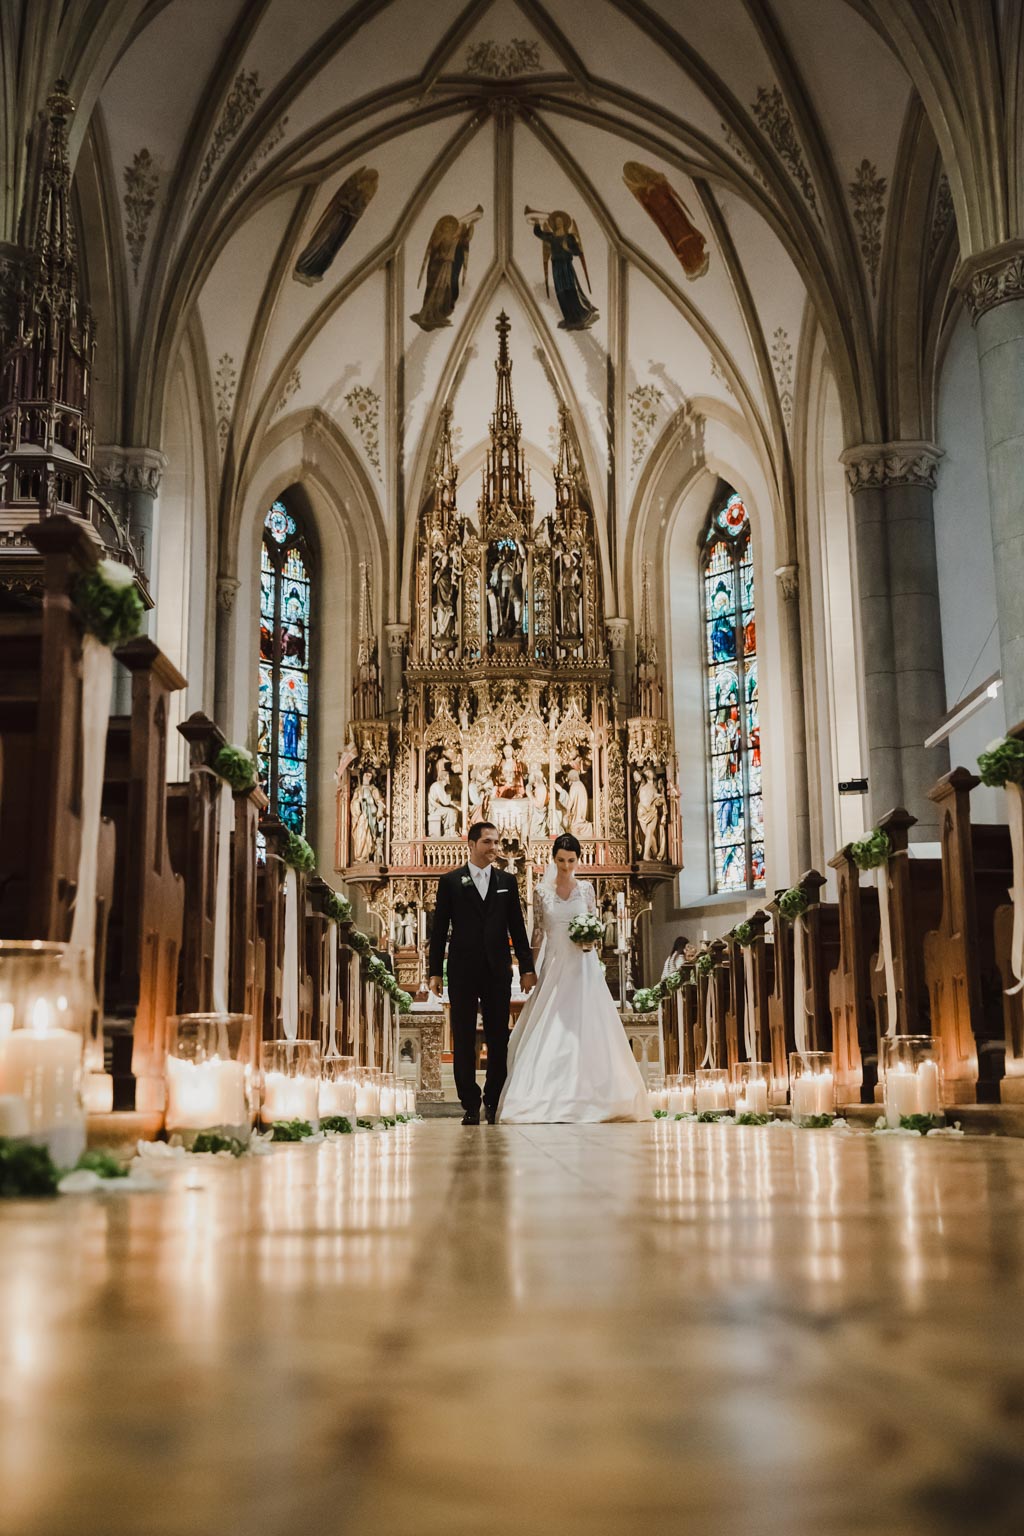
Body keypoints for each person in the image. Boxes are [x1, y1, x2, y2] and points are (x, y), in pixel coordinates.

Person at [497, 834, 649, 1124]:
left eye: (571, 860)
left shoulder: (587, 890)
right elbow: (539, 933)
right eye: (561, 860)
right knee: (550, 1022)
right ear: (553, 859)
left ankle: (595, 1094)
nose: (566, 866)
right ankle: (543, 1094)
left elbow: (594, 924)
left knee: (589, 1025)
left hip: (583, 964)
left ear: (577, 860)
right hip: (555, 963)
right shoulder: (542, 892)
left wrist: (589, 936)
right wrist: (528, 967)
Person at [428, 822, 537, 1125]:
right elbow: (439, 931)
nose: (494, 848)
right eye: (488, 842)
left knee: (498, 1036)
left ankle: (493, 1099)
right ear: (472, 844)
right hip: (462, 969)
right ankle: (469, 1103)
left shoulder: (507, 881)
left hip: (497, 969)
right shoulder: (450, 881)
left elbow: (517, 926)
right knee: (462, 1038)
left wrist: (527, 968)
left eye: (496, 842)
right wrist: (435, 971)